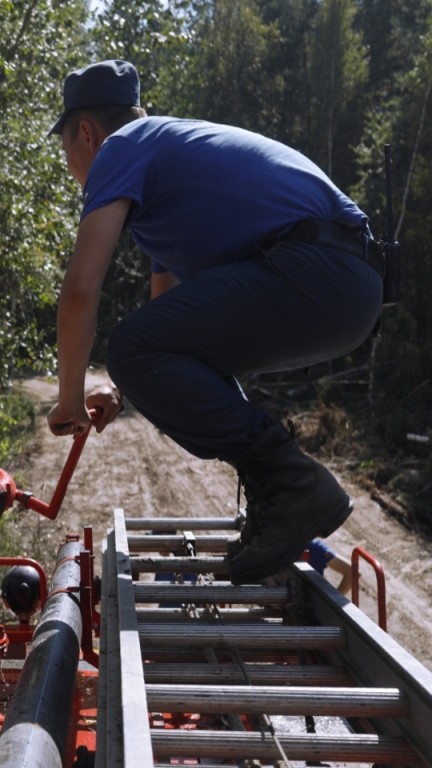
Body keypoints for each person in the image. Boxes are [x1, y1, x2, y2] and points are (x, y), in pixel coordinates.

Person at [44, 60, 384, 585]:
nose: (70, 164)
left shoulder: (122, 148)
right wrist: (119, 387)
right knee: (145, 349)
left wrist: (68, 400)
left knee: (129, 344)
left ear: (85, 134)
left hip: (322, 270)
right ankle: (283, 502)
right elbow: (170, 327)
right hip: (346, 284)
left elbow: (79, 292)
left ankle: (293, 484)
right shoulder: (164, 180)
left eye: (65, 148)